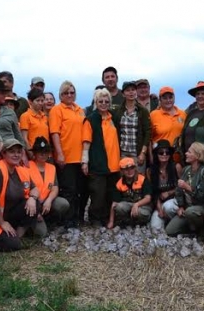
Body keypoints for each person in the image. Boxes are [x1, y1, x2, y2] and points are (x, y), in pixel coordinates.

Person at [0, 139, 41, 251]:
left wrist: (32, 198)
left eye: (19, 152)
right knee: (12, 246)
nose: (16, 155)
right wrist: (2, 223)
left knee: (36, 204)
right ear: (3, 153)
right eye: (12, 152)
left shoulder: (21, 170)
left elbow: (35, 189)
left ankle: (16, 236)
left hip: (10, 214)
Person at [48, 81, 88, 228]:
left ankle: (78, 217)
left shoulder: (79, 110)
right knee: (69, 190)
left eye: (72, 92)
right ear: (61, 95)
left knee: (81, 189)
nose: (69, 95)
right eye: (66, 93)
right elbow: (55, 133)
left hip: (80, 157)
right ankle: (68, 220)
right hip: (66, 156)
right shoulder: (57, 110)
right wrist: (59, 153)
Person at [81, 88, 121, 226]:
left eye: (106, 101)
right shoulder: (90, 119)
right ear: (96, 102)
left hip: (114, 163)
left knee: (110, 192)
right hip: (98, 163)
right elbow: (86, 142)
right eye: (100, 101)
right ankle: (95, 218)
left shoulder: (113, 117)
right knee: (98, 193)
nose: (103, 103)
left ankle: (106, 217)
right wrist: (84, 161)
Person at [165, 142, 204, 237]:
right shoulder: (186, 169)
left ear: (197, 156)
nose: (186, 153)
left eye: (189, 152)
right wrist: (181, 206)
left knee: (190, 212)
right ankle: (190, 231)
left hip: (200, 207)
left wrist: (187, 187)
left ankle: (201, 231)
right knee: (169, 231)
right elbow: (178, 191)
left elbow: (202, 196)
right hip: (187, 207)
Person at [28, 136, 69, 234]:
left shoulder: (51, 167)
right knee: (41, 234)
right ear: (34, 153)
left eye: (46, 151)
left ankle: (49, 221)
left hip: (46, 202)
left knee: (63, 204)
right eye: (40, 151)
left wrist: (49, 200)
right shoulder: (27, 166)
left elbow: (55, 187)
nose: (43, 154)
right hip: (33, 204)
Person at [114, 81, 151, 173]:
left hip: (137, 153)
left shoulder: (143, 111)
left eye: (133, 90)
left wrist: (143, 153)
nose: (131, 92)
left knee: (139, 180)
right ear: (123, 94)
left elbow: (148, 132)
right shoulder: (118, 111)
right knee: (123, 180)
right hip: (122, 152)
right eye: (128, 90)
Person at [107, 157, 152, 228]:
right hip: (128, 205)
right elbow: (114, 203)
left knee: (141, 213)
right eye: (126, 169)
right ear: (121, 171)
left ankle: (137, 222)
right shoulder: (119, 184)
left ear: (135, 168)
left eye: (132, 168)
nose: (129, 171)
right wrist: (111, 221)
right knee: (119, 207)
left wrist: (136, 205)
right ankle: (130, 220)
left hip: (142, 206)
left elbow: (148, 198)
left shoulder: (142, 179)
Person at [148, 140, 182, 231]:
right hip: (160, 203)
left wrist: (169, 192)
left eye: (167, 152)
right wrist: (159, 209)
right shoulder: (151, 171)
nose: (164, 154)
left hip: (175, 201)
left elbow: (183, 187)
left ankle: (175, 223)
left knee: (168, 207)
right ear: (156, 154)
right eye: (161, 152)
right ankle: (168, 221)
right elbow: (153, 193)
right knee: (155, 228)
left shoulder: (176, 167)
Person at [150, 87, 186, 164]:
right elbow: (149, 139)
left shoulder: (183, 114)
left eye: (170, 97)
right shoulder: (154, 115)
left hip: (179, 160)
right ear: (160, 100)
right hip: (160, 159)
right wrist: (151, 157)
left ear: (174, 98)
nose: (168, 100)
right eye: (165, 98)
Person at [0, 80, 25, 148]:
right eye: (2, 93)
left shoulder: (9, 112)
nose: (5, 95)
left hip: (12, 150)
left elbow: (18, 134)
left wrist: (23, 153)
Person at [19, 88, 49, 160]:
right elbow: (24, 138)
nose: (40, 103)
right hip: (34, 153)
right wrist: (30, 154)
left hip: (46, 152)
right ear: (30, 101)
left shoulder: (44, 116)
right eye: (37, 100)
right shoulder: (25, 116)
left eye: (42, 100)